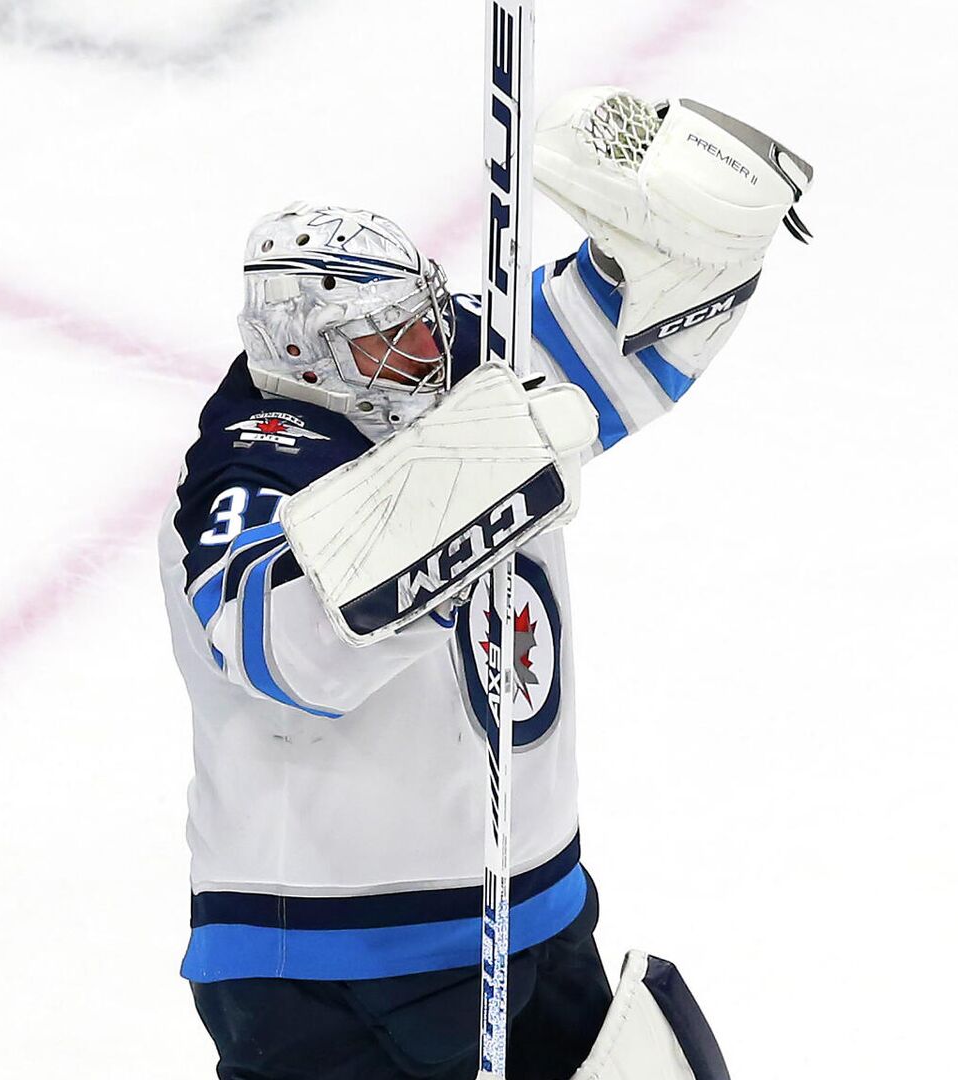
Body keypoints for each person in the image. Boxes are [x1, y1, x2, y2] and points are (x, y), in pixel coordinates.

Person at [157, 88, 812, 1080]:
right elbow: (286, 648)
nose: (428, 355)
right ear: (305, 355)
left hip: (535, 906)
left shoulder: (461, 356)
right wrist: (467, 479)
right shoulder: (253, 460)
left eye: (426, 318)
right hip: (332, 965)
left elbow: (643, 326)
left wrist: (696, 213)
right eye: (391, 344)